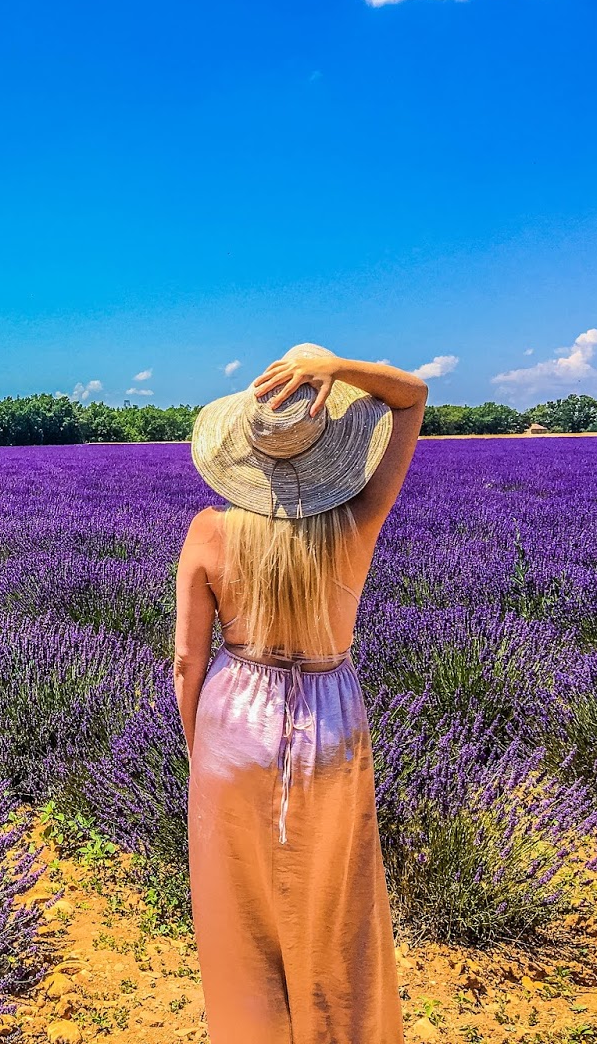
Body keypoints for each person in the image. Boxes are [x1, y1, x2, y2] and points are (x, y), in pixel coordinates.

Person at [174, 342, 427, 1044]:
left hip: (231, 723)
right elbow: (412, 396)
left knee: (239, 917)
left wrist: (205, 751)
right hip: (329, 719)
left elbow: (186, 661)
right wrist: (336, 366)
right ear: (326, 449)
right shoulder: (358, 520)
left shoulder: (209, 530)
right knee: (334, 910)